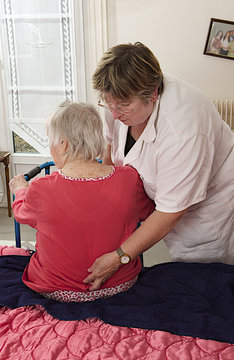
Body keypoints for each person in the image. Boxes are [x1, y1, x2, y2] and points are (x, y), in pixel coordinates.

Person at [83, 41, 234, 291]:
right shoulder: (118, 100)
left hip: (212, 206)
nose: (114, 113)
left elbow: (170, 212)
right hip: (170, 195)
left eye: (122, 106)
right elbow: (111, 148)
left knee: (207, 280)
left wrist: (120, 257)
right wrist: (101, 192)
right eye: (107, 103)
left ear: (153, 94)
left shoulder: (184, 130)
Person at [9, 101, 154, 302]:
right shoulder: (129, 179)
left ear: (63, 143)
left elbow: (21, 213)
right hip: (119, 284)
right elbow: (148, 212)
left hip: (55, 288)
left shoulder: (41, 187)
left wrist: (20, 190)